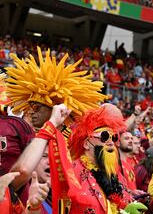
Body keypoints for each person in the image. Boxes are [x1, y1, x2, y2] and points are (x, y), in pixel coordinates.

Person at [7, 49, 107, 213]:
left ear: (58, 109)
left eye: (38, 107)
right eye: (31, 107)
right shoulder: (20, 135)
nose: (32, 112)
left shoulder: (72, 144)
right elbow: (19, 173)